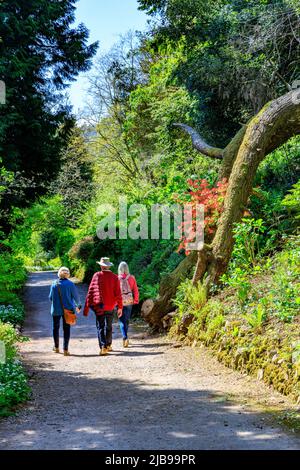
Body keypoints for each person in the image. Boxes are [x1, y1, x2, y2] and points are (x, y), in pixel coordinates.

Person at [84, 257, 123, 356]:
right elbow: (118, 293)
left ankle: (103, 347)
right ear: (109, 266)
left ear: (101, 266)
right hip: (111, 306)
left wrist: (87, 307)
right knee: (109, 326)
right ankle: (109, 345)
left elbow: (91, 292)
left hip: (99, 306)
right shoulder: (115, 277)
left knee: (100, 326)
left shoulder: (97, 275)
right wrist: (120, 307)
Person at [49, 267, 81, 356]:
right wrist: (78, 305)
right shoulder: (70, 284)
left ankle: (56, 347)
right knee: (66, 329)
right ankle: (65, 349)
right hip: (68, 309)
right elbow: (76, 297)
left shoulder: (54, 284)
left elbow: (50, 297)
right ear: (68, 274)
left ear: (59, 273)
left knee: (55, 328)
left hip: (56, 309)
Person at [118, 261, 139, 348]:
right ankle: (126, 337)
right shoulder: (132, 278)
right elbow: (135, 290)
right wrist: (136, 300)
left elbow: (115, 292)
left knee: (121, 320)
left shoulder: (117, 278)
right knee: (126, 319)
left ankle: (125, 337)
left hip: (120, 301)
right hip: (129, 301)